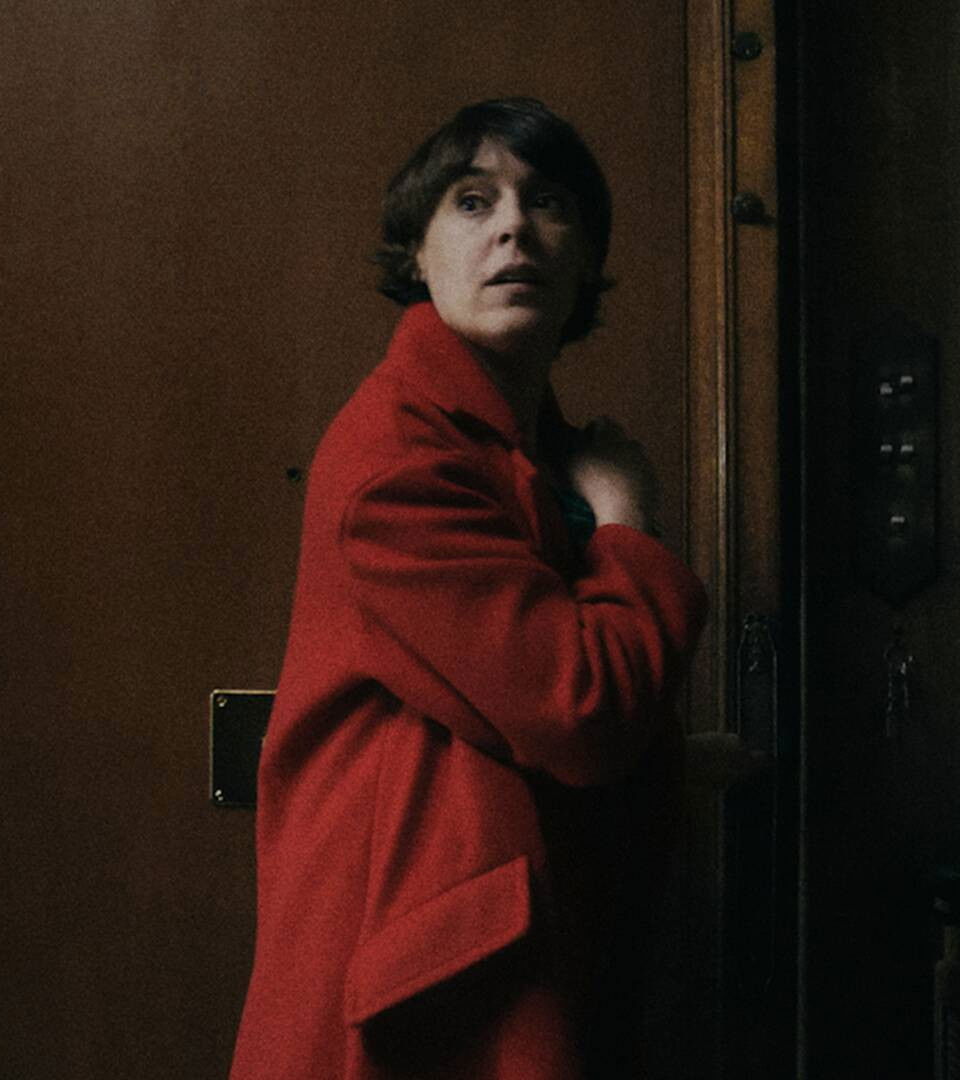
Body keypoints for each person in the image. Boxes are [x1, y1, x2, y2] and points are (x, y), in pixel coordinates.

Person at [228, 98, 706, 1080]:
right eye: (473, 201)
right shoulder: (399, 457)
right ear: (417, 255)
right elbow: (581, 708)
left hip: (503, 952)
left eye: (549, 203)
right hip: (425, 993)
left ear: (586, 260)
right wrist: (627, 523)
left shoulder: (523, 445)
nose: (514, 228)